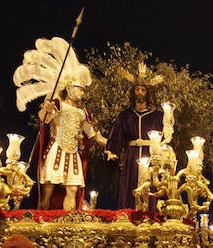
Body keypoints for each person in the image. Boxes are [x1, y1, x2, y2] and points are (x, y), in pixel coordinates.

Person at [37, 82, 110, 211]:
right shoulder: (58, 105)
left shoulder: (83, 113)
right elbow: (44, 119)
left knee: (72, 189)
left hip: (73, 154)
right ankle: (42, 218)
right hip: (56, 149)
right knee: (48, 188)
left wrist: (114, 146)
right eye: (79, 89)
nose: (82, 93)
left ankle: (68, 221)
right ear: (69, 88)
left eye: (83, 90)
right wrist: (46, 110)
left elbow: (97, 137)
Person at [106, 65, 166, 209]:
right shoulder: (125, 115)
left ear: (148, 93)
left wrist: (164, 155)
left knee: (149, 187)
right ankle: (128, 214)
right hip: (131, 156)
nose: (139, 92)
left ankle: (149, 216)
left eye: (143, 90)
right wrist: (112, 151)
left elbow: (166, 138)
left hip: (151, 155)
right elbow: (116, 134)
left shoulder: (157, 116)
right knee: (130, 185)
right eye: (137, 89)